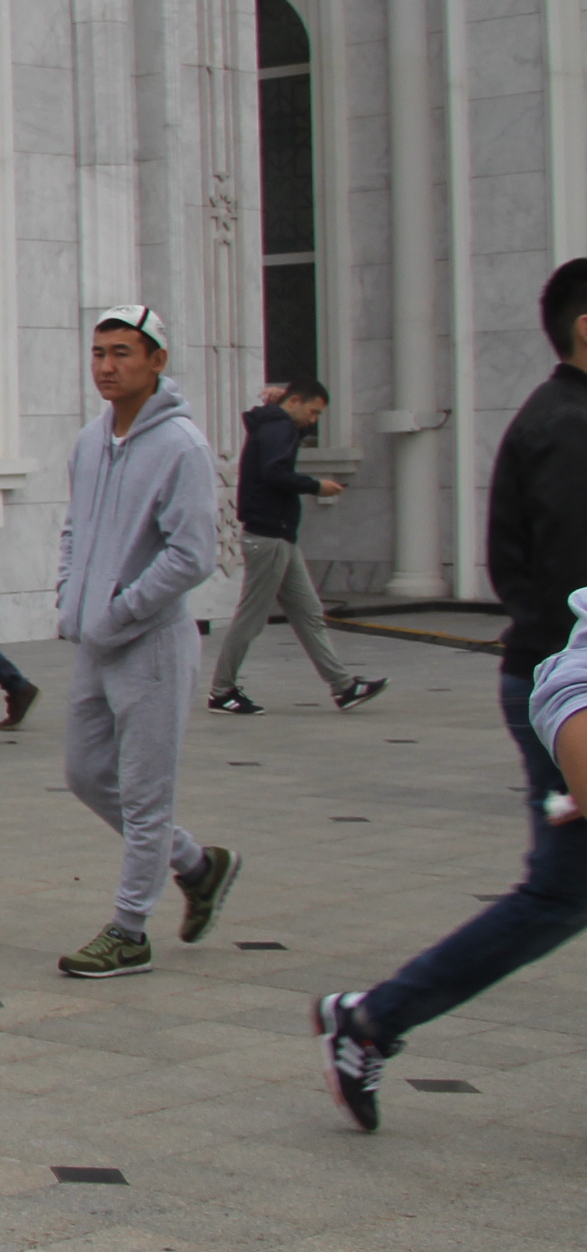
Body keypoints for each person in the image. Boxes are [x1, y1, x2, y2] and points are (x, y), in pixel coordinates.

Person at [315, 587, 587, 1128]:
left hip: (544, 663)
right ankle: (371, 1020)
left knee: (562, 895)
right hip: (551, 679)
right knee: (559, 895)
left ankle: (372, 1019)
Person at [52, 308, 238, 977]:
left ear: (157, 361)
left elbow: (192, 556)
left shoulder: (181, 446)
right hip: (97, 641)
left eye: (122, 353)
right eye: (98, 353)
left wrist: (122, 609)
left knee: (145, 793)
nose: (106, 366)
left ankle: (130, 930)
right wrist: (71, 596)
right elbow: (75, 528)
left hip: (152, 642)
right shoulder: (91, 440)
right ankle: (196, 864)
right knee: (85, 774)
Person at [207, 379, 384, 716]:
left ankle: (343, 686)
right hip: (270, 536)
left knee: (308, 612)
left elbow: (277, 457)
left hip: (279, 536)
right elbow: (274, 472)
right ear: (296, 401)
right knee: (251, 617)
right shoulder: (279, 427)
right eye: (313, 412)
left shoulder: (277, 425)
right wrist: (316, 486)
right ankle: (221, 691)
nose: (314, 420)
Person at [486, 258, 587, 840]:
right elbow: (572, 575)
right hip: (566, 687)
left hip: (550, 674)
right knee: (561, 882)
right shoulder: (570, 426)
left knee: (563, 879)